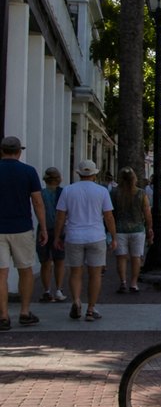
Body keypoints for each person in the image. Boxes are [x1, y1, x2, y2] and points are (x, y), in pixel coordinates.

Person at [54, 160, 116, 322]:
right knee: (95, 274)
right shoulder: (102, 191)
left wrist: (57, 236)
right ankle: (91, 309)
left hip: (74, 236)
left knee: (75, 272)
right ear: (94, 174)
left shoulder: (68, 190)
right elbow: (108, 216)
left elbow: (60, 216)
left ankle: (76, 300)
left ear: (78, 174)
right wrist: (114, 236)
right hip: (96, 236)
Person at [0, 136, 47, 330]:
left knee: (1, 274)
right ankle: (25, 312)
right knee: (26, 270)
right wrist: (43, 227)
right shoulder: (28, 171)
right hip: (22, 227)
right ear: (19, 152)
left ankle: (3, 316)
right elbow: (37, 201)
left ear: (2, 151)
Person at [111, 167, 152, 293]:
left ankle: (123, 282)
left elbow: (110, 212)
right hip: (137, 229)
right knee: (136, 257)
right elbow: (147, 212)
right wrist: (149, 227)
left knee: (121, 257)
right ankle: (134, 283)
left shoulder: (114, 193)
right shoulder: (141, 193)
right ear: (134, 178)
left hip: (119, 229)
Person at [37, 167, 67, 303]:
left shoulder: (41, 193)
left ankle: (47, 291)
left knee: (45, 262)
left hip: (43, 229)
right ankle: (59, 290)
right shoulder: (63, 193)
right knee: (59, 260)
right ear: (59, 179)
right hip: (59, 230)